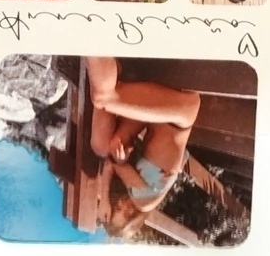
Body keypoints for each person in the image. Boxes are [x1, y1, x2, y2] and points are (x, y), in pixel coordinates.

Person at [86, 57, 201, 238]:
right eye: (128, 214)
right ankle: (98, 55)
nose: (125, 206)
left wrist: (120, 159)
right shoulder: (144, 202)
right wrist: (104, 199)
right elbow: (112, 165)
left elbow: (110, 162)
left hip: (161, 117)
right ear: (136, 219)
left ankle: (111, 69)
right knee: (102, 98)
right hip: (180, 113)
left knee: (101, 146)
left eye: (118, 207)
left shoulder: (133, 190)